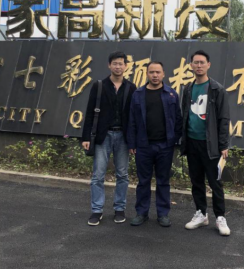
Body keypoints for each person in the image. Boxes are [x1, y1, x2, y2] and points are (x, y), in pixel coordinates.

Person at [180, 50, 231, 236]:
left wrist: (223, 145)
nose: (199, 65)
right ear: (191, 65)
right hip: (192, 142)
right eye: (196, 62)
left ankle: (220, 217)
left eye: (202, 62)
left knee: (215, 182)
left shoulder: (217, 89)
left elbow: (224, 118)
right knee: (196, 181)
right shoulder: (188, 89)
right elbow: (184, 115)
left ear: (208, 65)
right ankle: (201, 214)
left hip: (211, 145)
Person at [81, 51, 135, 226]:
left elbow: (134, 117)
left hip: (123, 136)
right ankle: (97, 210)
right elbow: (90, 112)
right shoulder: (99, 86)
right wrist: (86, 137)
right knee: (98, 175)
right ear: (109, 65)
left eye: (121, 63)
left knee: (122, 174)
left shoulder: (131, 87)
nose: (118, 66)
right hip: (102, 136)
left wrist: (133, 141)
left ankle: (119, 208)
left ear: (126, 66)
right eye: (115, 63)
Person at [127, 61, 182, 227]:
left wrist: (174, 140)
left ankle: (163, 214)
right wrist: (132, 143)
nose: (155, 75)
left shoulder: (171, 94)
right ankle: (141, 213)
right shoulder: (138, 94)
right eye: (152, 72)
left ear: (163, 74)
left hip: (165, 146)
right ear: (147, 74)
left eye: (158, 72)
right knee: (143, 181)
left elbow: (178, 119)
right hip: (143, 145)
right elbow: (132, 120)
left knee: (163, 181)